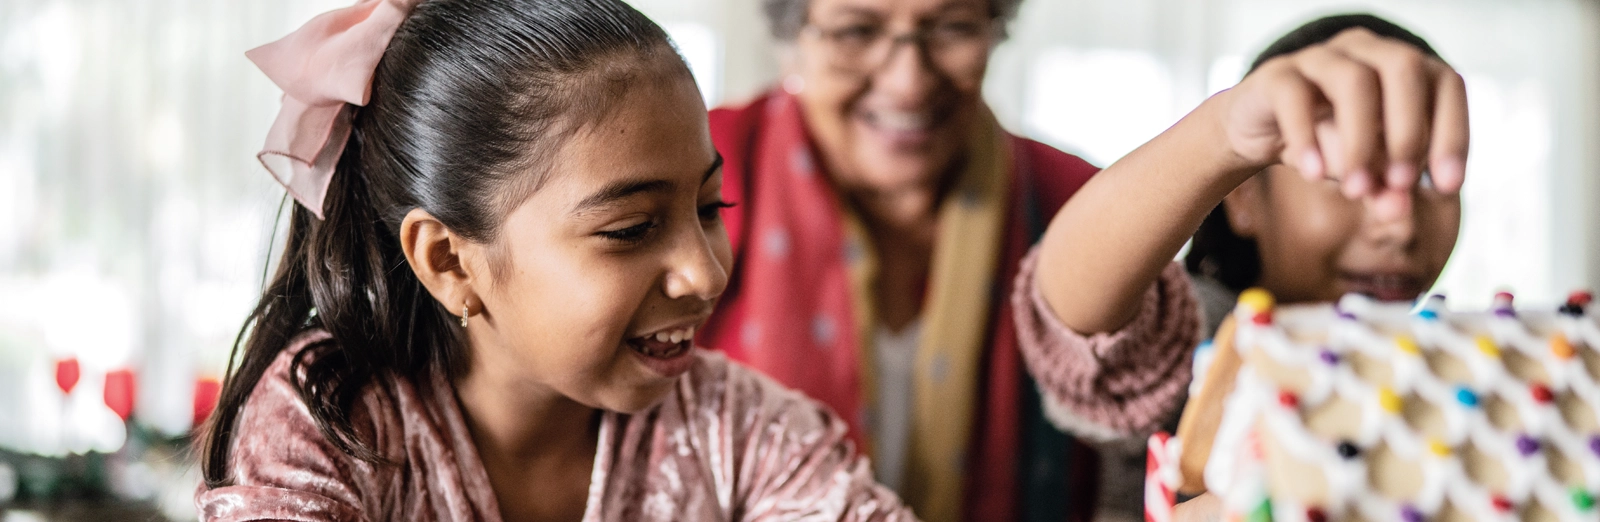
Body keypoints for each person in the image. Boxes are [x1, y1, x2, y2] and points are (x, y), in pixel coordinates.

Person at [704, 1, 1466, 522]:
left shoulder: (1068, 191)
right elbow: (1076, 310)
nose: (907, 76)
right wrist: (1228, 129)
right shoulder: (696, 177)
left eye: (953, 26)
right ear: (791, 29)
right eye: (855, 30)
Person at [194, 1, 916, 520]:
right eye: (632, 229)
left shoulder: (742, 430)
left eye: (709, 209)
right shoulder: (327, 420)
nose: (705, 274)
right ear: (449, 261)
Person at [1186, 13, 1461, 337]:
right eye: (1347, 173)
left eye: (1429, 177)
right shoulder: (1174, 344)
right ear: (1243, 196)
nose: (1402, 230)